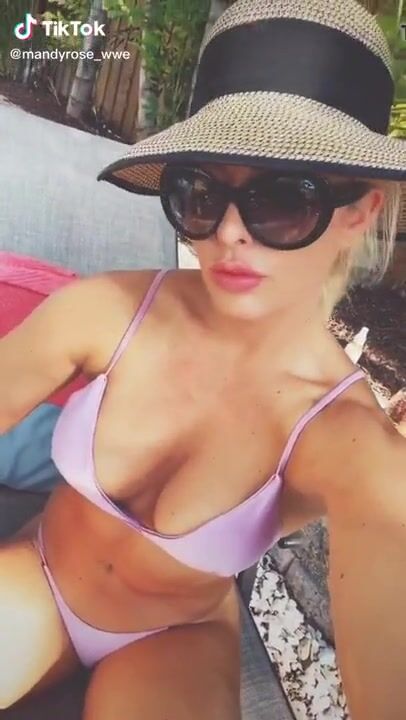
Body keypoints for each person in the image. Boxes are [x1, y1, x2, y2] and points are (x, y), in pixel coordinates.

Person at [0, 1, 405, 718]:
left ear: (360, 213)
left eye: (282, 200)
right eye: (201, 193)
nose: (228, 233)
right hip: (42, 574)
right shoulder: (107, 310)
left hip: (173, 638)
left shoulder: (345, 437)